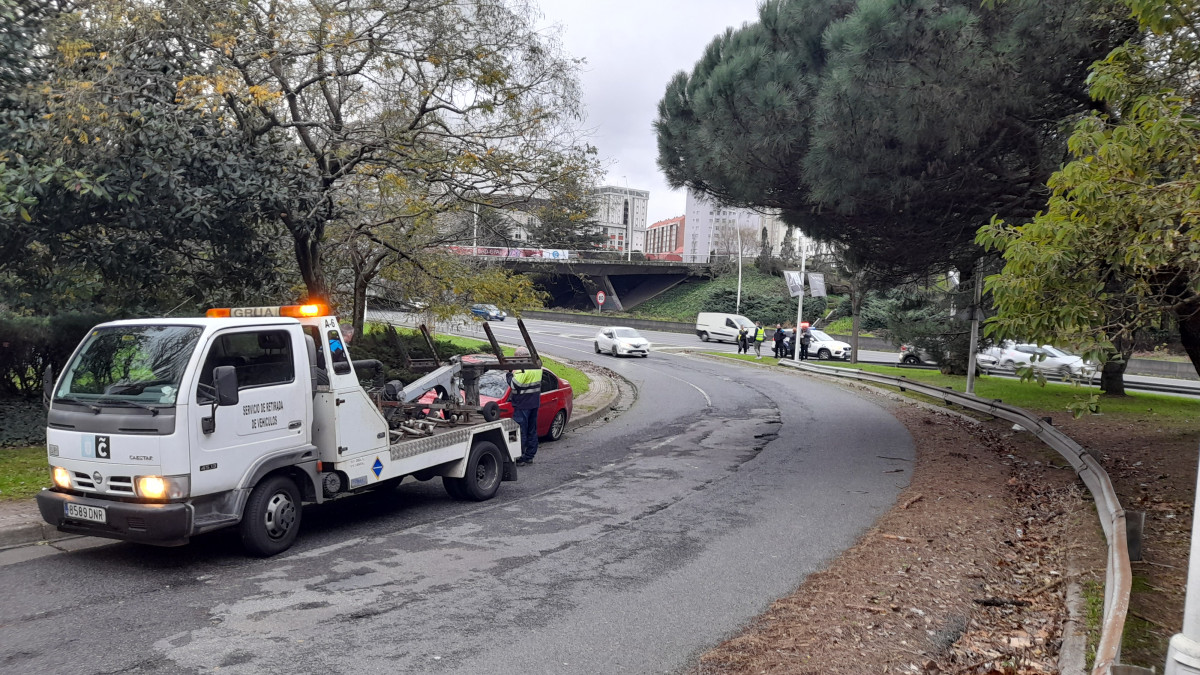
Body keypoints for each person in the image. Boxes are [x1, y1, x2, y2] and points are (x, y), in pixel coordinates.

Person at [507, 347, 542, 465]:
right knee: (532, 430)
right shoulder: (537, 367)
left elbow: (514, 384)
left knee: (520, 431)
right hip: (534, 403)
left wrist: (509, 374)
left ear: (520, 357)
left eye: (516, 357)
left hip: (522, 404)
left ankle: (520, 457)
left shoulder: (522, 369)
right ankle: (530, 456)